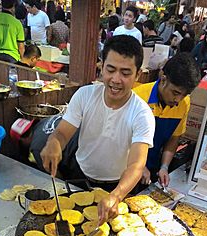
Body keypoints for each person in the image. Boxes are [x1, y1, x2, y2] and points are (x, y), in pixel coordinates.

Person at [30, 35, 155, 223]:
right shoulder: (85, 95)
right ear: (102, 67)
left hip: (116, 187)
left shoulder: (142, 114)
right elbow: (63, 132)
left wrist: (116, 195)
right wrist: (54, 143)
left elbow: (136, 165)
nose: (116, 79)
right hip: (79, 175)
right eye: (110, 70)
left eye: (126, 73)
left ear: (138, 75)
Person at [133, 52, 201, 187]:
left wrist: (164, 167)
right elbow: (121, 140)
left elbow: (173, 139)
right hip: (126, 167)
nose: (178, 100)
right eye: (175, 93)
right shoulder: (138, 98)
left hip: (151, 168)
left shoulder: (184, 103)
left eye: (184, 94)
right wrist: (138, 166)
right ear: (163, 79)